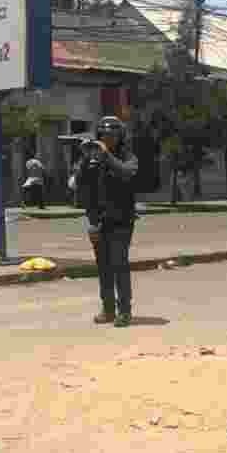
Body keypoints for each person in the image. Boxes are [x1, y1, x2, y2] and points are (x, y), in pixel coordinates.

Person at [72, 116, 139, 328]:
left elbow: (127, 172)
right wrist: (84, 159)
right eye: (103, 136)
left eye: (111, 136)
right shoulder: (91, 159)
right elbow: (79, 184)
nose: (107, 139)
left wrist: (106, 155)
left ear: (119, 137)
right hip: (98, 220)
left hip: (121, 220)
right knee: (103, 267)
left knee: (119, 264)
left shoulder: (126, 156)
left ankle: (124, 311)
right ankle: (108, 309)